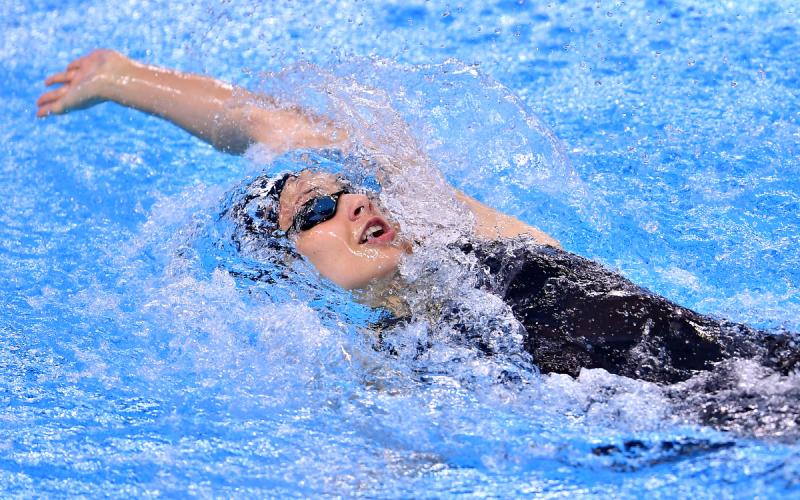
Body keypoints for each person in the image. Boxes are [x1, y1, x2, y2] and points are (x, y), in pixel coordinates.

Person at [37, 50, 798, 388]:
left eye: (355, 189)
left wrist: (127, 80)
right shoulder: (389, 365)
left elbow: (278, 129)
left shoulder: (470, 239)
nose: (358, 203)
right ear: (290, 273)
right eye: (319, 213)